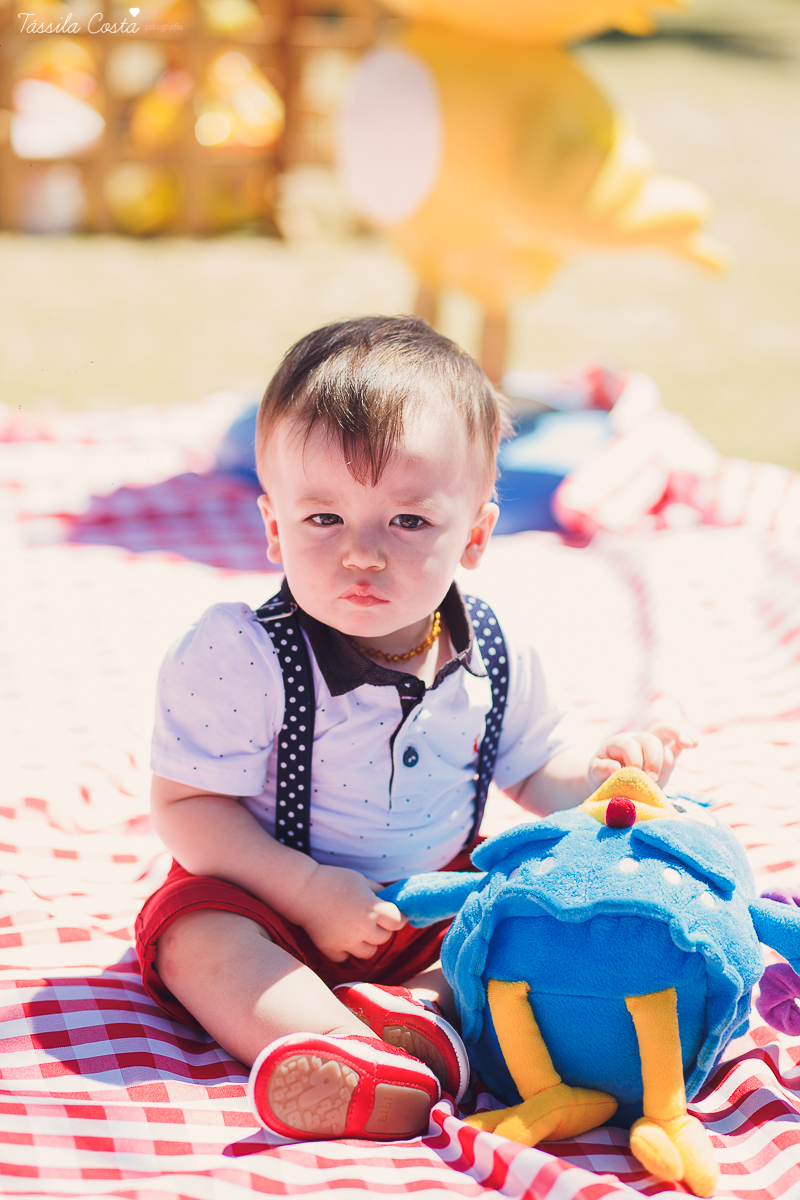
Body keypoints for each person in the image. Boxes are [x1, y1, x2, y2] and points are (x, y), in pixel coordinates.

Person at [135, 316, 695, 1143]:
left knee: (523, 919)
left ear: (474, 535)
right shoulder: (240, 654)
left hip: (429, 906)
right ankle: (340, 1049)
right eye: (323, 519)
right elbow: (188, 808)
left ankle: (416, 1024)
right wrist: (305, 890)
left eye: (407, 522)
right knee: (195, 939)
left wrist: (607, 781)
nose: (362, 554)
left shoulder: (495, 651)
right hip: (267, 899)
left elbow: (538, 767)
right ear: (274, 526)